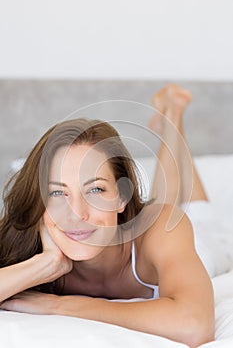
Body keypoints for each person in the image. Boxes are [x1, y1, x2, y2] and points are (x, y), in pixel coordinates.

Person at [0, 84, 214, 347]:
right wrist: (45, 264)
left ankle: (173, 118)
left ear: (122, 196)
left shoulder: (163, 229)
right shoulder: (25, 238)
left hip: (205, 242)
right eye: (57, 193)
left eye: (96, 189)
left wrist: (62, 305)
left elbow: (194, 325)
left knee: (188, 209)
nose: (77, 213)